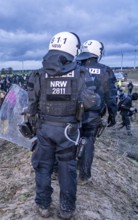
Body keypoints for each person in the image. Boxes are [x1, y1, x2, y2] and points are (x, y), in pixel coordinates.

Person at [24, 32, 93, 219]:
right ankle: (67, 208)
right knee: (67, 169)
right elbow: (91, 102)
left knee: (43, 167)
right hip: (69, 131)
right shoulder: (80, 73)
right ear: (72, 49)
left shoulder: (38, 74)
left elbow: (30, 106)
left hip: (44, 129)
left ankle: (43, 205)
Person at [75, 40, 118, 185]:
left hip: (71, 113)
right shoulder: (105, 70)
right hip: (92, 115)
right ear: (98, 52)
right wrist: (112, 115)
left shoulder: (73, 67)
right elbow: (111, 96)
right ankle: (84, 176)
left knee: (68, 140)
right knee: (88, 143)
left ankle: (59, 171)